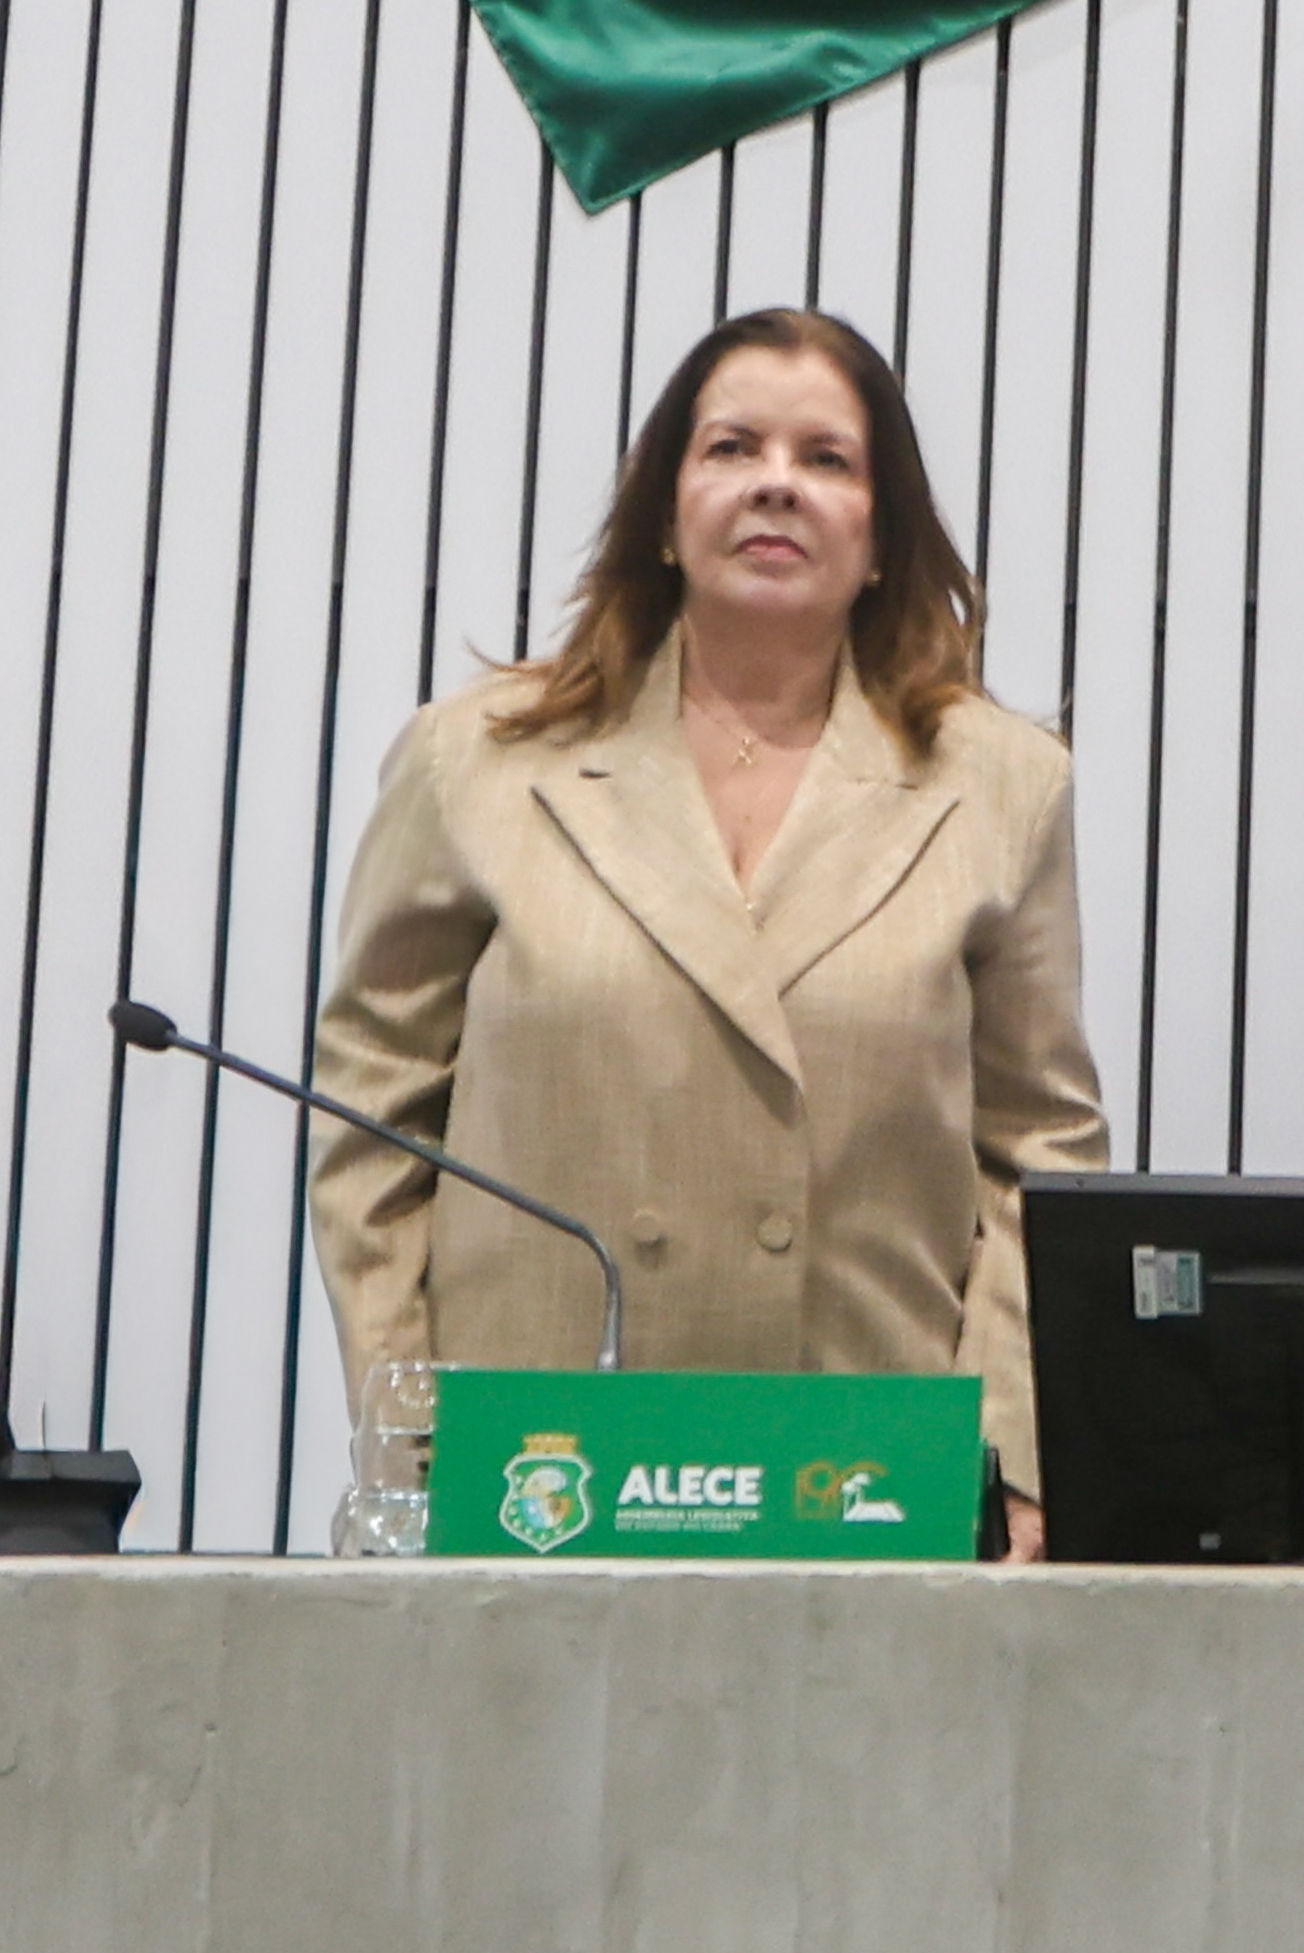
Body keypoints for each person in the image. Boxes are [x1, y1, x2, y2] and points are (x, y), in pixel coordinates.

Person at [309, 306, 1106, 1544]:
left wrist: (1007, 1462)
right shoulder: (475, 760)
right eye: (731, 448)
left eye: (826, 460)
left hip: (866, 1473)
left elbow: (1041, 1153)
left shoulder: (1001, 785)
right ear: (666, 514)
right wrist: (412, 1435)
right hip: (535, 1478)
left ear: (883, 536)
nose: (774, 485)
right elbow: (369, 1116)